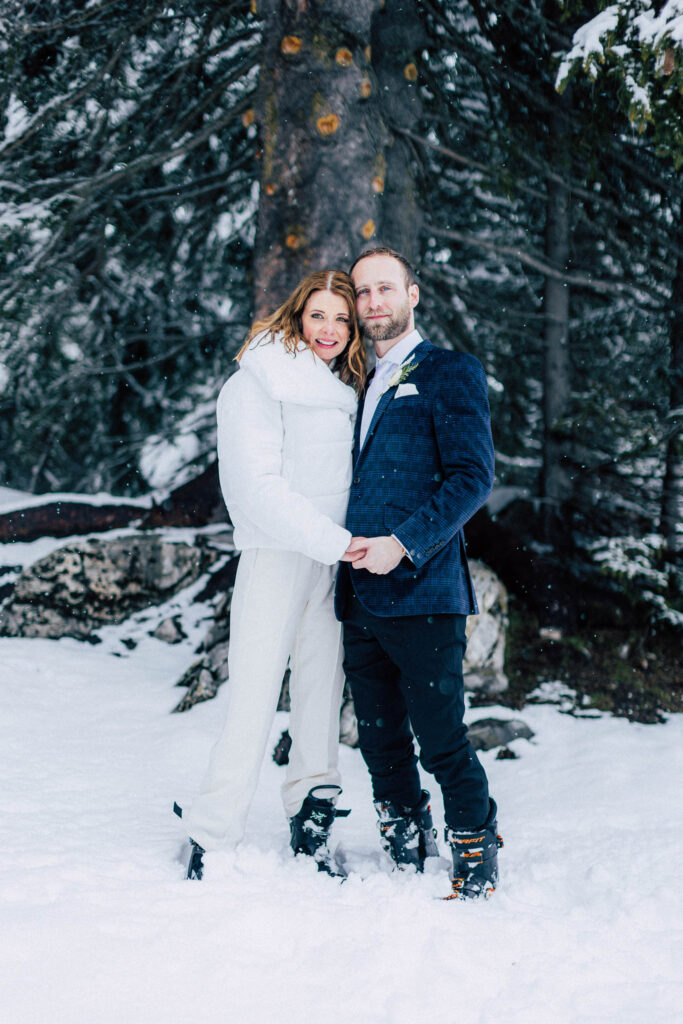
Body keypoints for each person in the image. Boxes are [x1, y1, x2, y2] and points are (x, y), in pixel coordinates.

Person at [179, 270, 366, 880]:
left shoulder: (348, 388)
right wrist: (334, 542)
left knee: (319, 697)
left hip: (332, 564)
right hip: (278, 557)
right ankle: (211, 831)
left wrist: (341, 550)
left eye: (343, 319)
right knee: (254, 696)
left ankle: (312, 815)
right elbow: (254, 489)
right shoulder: (255, 382)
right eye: (319, 316)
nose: (331, 330)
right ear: (296, 314)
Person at [336, 247, 502, 900]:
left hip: (423, 591)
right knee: (378, 739)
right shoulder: (350, 383)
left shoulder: (448, 371)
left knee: (439, 738)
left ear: (412, 294)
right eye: (362, 292)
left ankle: (474, 842)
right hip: (355, 595)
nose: (373, 302)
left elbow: (472, 476)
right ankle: (403, 838)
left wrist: (402, 544)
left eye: (385, 288)